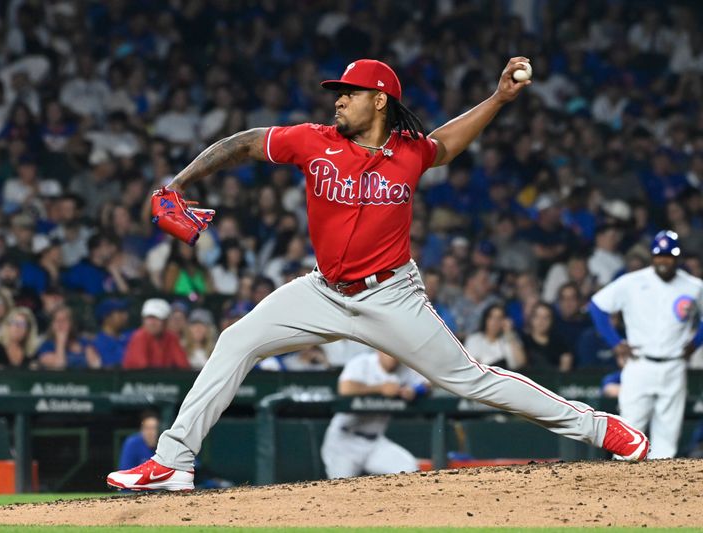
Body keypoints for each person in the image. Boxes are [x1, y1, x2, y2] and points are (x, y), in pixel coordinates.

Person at [108, 57, 648, 492]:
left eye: (349, 91)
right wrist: (176, 182)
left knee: (472, 380)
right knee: (235, 342)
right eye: (337, 91)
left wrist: (500, 99)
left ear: (380, 99)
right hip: (321, 290)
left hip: (391, 295)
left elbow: (450, 144)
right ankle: (173, 463)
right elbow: (244, 142)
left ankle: (603, 428)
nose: (338, 98)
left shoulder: (409, 152)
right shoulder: (313, 140)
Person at [589, 230, 702, 459]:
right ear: (652, 256)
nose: (663, 260)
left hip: (674, 365)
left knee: (667, 438)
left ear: (677, 258)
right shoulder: (632, 281)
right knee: (628, 432)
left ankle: (658, 493)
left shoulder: (693, 286)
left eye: (669, 255)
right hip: (640, 364)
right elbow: (597, 306)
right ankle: (619, 489)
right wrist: (615, 343)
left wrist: (696, 342)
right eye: (659, 255)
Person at [320, 350, 429, 479]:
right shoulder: (363, 362)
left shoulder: (403, 369)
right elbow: (345, 388)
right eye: (390, 353)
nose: (394, 358)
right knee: (339, 488)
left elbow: (427, 384)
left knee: (410, 468)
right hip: (345, 441)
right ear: (379, 350)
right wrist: (380, 388)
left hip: (375, 443)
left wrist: (414, 390)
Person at [122, 299, 189, 370]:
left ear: (166, 321)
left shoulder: (171, 338)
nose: (152, 323)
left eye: (157, 318)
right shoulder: (139, 337)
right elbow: (142, 369)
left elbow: (183, 365)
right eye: (149, 318)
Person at [37, 305, 101, 370]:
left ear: (71, 323)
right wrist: (61, 342)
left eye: (64, 320)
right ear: (52, 325)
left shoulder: (84, 342)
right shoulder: (46, 346)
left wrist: (89, 352)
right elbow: (59, 366)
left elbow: (96, 365)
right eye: (57, 320)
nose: (60, 323)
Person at [463, 304, 526, 370]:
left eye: (499, 318)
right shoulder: (474, 339)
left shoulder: (510, 338)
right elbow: (470, 367)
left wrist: (508, 332)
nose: (495, 322)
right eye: (491, 317)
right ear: (485, 319)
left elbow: (521, 363)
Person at [521, 301, 573, 372]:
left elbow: (565, 368)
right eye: (537, 316)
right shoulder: (523, 341)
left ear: (552, 320)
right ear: (531, 319)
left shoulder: (559, 343)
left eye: (546, 318)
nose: (541, 321)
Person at [92, 298, 132, 368]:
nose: (126, 316)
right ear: (106, 317)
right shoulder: (98, 343)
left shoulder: (131, 335)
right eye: (120, 312)